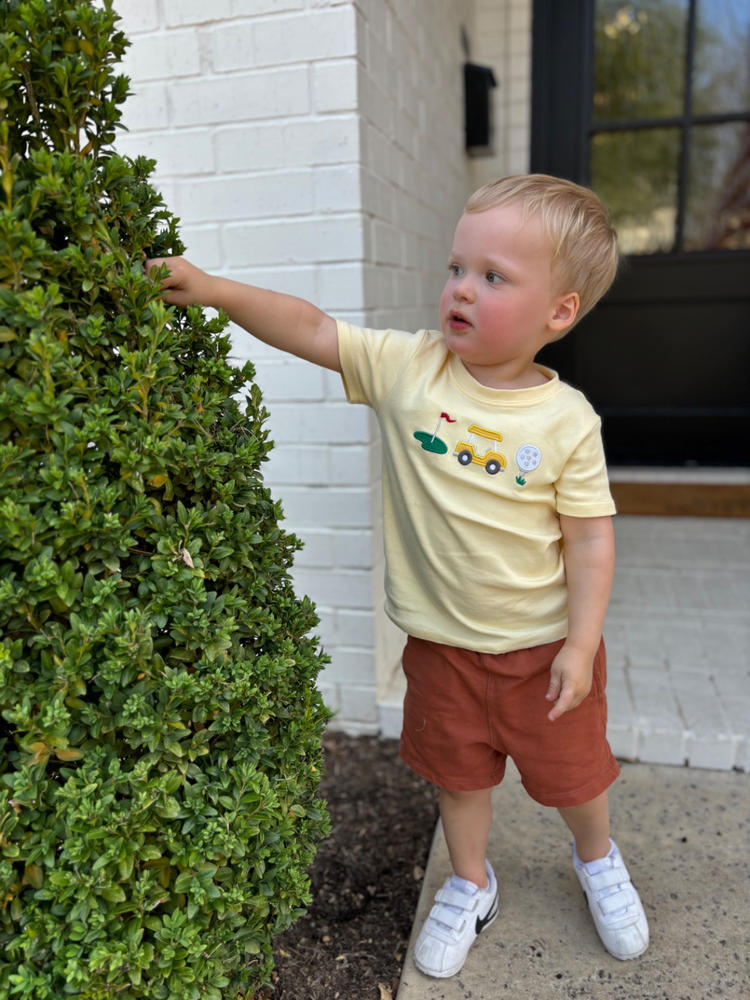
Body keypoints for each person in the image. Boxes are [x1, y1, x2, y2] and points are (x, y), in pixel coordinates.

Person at [147, 173, 649, 979]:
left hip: (540, 651)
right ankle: (470, 882)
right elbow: (311, 329)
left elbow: (590, 542)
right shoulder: (408, 368)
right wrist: (212, 290)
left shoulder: (566, 421)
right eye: (457, 267)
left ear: (559, 312)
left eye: (493, 277)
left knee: (575, 778)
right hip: (443, 649)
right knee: (459, 780)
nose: (461, 289)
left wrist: (582, 644)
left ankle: (596, 859)